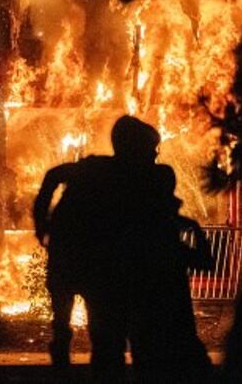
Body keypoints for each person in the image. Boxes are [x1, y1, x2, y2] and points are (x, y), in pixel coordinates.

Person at [34, 115, 209, 381]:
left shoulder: (98, 170)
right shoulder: (148, 178)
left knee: (97, 337)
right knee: (110, 340)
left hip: (86, 264)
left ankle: (66, 364)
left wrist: (42, 224)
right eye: (151, 147)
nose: (155, 152)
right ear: (134, 147)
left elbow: (54, 176)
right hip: (99, 269)